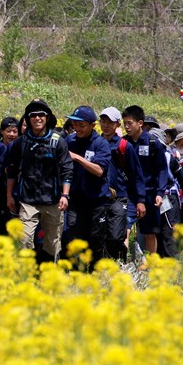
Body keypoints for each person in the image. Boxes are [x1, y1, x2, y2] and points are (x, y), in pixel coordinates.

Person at [6, 99, 73, 263]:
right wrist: (9, 196)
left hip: (53, 201)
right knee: (24, 240)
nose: (37, 118)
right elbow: (12, 171)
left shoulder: (58, 141)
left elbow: (67, 169)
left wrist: (65, 195)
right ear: (28, 119)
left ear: (47, 117)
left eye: (41, 114)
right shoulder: (21, 143)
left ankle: (49, 276)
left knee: (52, 244)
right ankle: (26, 277)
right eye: (33, 115)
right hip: (27, 202)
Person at [63, 106, 111, 267]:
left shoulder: (101, 144)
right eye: (75, 124)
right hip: (75, 200)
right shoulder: (69, 141)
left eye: (81, 125)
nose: (77, 128)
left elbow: (99, 170)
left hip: (97, 201)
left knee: (96, 239)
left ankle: (96, 274)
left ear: (93, 125)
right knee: (74, 238)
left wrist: (77, 158)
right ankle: (76, 274)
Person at [99, 107, 145, 261]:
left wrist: (140, 201)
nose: (105, 125)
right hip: (98, 197)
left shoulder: (125, 146)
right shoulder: (96, 143)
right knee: (98, 236)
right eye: (103, 121)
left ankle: (121, 263)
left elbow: (137, 175)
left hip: (120, 197)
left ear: (117, 124)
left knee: (116, 236)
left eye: (109, 122)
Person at [122, 105, 167, 256]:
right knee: (124, 229)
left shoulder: (153, 143)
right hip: (128, 193)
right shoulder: (123, 143)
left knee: (150, 232)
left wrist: (160, 192)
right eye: (125, 123)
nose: (127, 127)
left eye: (130, 123)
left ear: (140, 123)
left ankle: (151, 264)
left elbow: (162, 169)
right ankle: (123, 262)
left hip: (150, 193)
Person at [150, 128, 183, 257]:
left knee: (169, 231)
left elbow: (182, 181)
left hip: (169, 197)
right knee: (155, 231)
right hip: (152, 197)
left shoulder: (169, 158)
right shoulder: (144, 158)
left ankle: (172, 263)